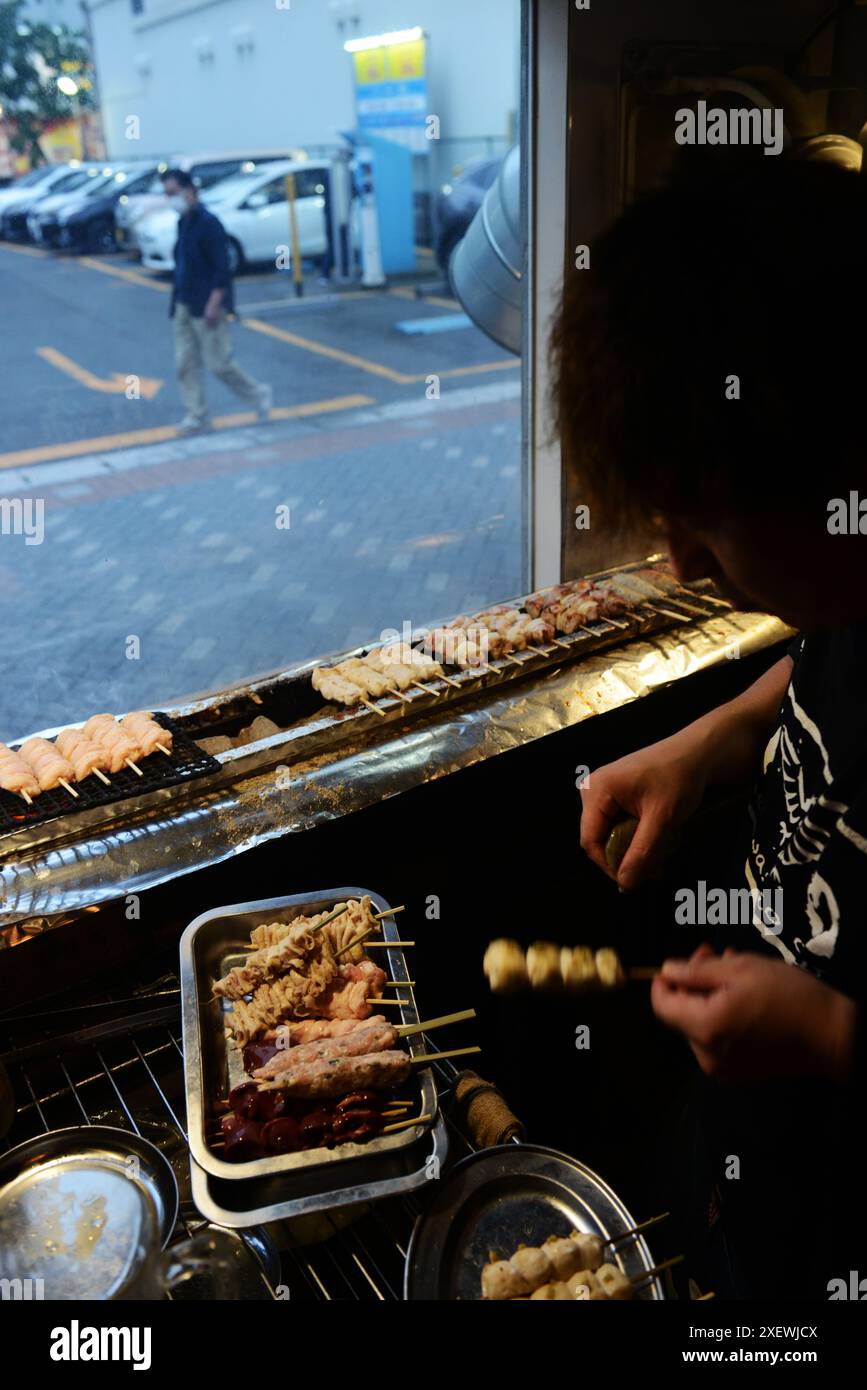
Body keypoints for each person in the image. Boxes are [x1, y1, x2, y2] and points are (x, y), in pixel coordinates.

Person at [550, 154, 867, 1299]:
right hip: (747, 1137)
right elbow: (821, 671)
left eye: (702, 526)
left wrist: (831, 1035)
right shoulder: (844, 587)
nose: (679, 563)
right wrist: (711, 740)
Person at [161, 169, 273, 436]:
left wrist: (215, 302)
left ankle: (259, 395)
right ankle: (197, 416)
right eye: (167, 195)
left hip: (206, 304)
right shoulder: (182, 223)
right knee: (185, 364)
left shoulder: (209, 223)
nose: (171, 200)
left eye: (174, 193)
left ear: (191, 191)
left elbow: (222, 269)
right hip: (183, 303)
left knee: (218, 364)